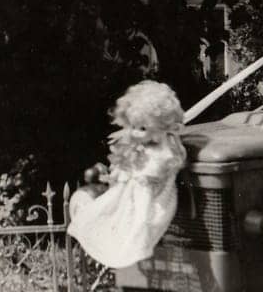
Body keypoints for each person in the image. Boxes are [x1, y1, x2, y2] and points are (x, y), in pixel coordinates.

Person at [69, 80, 187, 268]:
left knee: (140, 221)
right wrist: (121, 172)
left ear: (159, 129)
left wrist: (134, 169)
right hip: (135, 191)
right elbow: (130, 166)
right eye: (133, 126)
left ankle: (136, 244)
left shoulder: (162, 151)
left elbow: (151, 176)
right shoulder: (141, 146)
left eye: (142, 129)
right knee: (109, 212)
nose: (135, 133)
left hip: (152, 196)